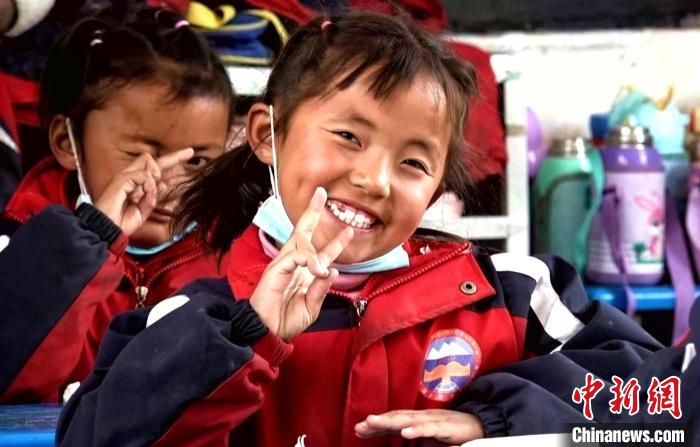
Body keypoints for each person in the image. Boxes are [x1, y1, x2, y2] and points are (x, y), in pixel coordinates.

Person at [57, 11, 663, 446]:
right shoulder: (195, 311)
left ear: (436, 190)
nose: (375, 180)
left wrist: (497, 420)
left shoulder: (511, 295)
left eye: (413, 163)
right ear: (267, 135)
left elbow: (662, 398)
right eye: (348, 135)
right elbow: (91, 435)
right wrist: (247, 336)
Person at [0, 7, 235, 403]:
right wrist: (89, 244)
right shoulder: (18, 245)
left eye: (196, 162)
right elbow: (11, 378)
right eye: (140, 155)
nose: (170, 184)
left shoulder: (235, 257)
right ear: (66, 143)